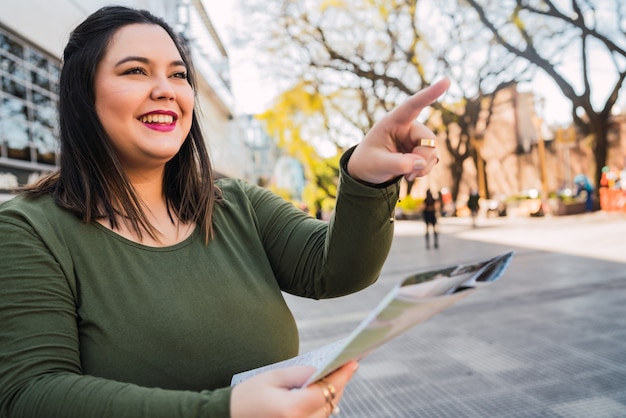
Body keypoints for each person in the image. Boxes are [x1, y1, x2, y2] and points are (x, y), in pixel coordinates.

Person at [0, 6, 448, 418]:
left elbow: (335, 270)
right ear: (83, 97)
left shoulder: (235, 203)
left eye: (178, 75)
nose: (165, 90)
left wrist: (368, 178)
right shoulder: (28, 232)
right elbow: (32, 393)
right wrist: (224, 410)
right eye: (135, 71)